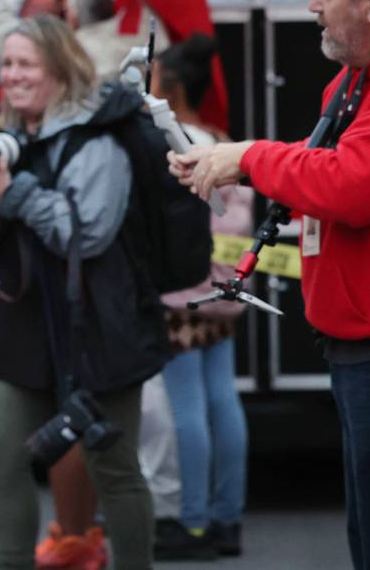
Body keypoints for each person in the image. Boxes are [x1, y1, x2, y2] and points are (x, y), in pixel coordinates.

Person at [171, 0, 370, 570]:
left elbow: (352, 184)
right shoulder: (347, 83)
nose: (310, 4)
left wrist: (248, 157)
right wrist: (240, 161)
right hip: (351, 346)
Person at [0, 14, 168, 570]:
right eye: (8, 65)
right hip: (24, 328)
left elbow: (85, 233)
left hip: (97, 328)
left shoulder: (97, 137)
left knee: (112, 466)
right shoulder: (11, 133)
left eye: (26, 66)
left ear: (60, 71)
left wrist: (11, 191)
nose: (12, 77)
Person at [143, 35, 250, 560]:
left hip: (184, 291)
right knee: (222, 400)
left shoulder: (173, 142)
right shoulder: (219, 138)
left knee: (186, 407)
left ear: (170, 84)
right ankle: (228, 518)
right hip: (224, 288)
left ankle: (192, 523)